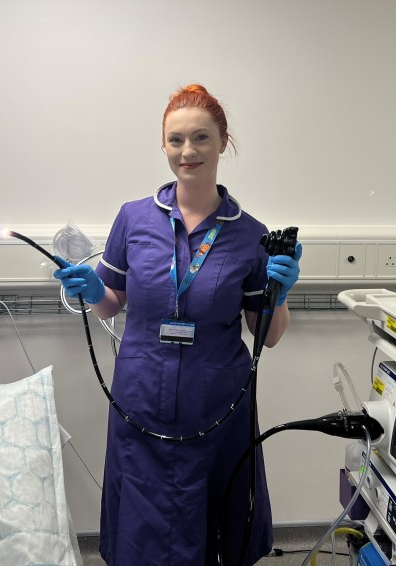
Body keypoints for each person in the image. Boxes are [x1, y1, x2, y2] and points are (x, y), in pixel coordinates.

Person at [54, 84, 302, 566]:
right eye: (176, 140)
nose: (188, 152)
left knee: (212, 521)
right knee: (141, 525)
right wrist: (88, 290)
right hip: (140, 400)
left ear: (223, 142)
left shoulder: (250, 234)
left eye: (201, 138)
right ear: (164, 145)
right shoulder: (134, 219)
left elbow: (267, 334)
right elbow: (111, 304)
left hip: (217, 405)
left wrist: (281, 293)